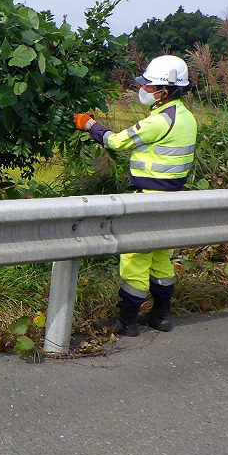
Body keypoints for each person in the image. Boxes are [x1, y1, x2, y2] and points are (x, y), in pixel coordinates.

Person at [73, 55, 198, 336]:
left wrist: (89, 125)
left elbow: (117, 141)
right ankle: (160, 317)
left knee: (135, 260)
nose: (144, 90)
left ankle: (127, 322)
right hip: (174, 199)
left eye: (150, 86)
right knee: (161, 259)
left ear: (165, 90)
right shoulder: (187, 117)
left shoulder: (160, 121)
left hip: (150, 199)